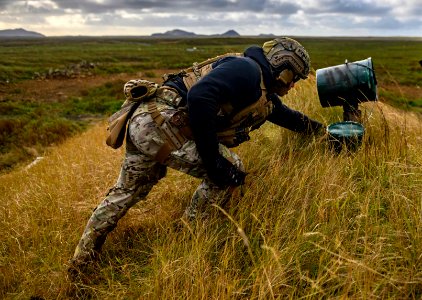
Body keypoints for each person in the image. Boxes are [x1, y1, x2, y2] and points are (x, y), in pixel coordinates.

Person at [68, 37, 324, 276]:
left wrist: (323, 133)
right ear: (283, 67)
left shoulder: (260, 88)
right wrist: (213, 161)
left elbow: (286, 117)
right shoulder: (247, 70)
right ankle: (188, 240)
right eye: (294, 78)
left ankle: (81, 260)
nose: (293, 85)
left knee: (126, 191)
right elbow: (200, 97)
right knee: (229, 169)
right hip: (162, 123)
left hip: (146, 122)